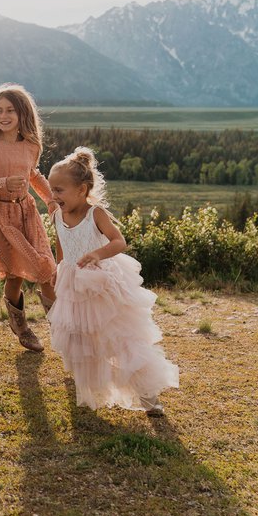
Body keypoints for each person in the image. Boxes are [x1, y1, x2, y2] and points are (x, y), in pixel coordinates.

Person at [46, 147, 179, 416]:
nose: (53, 195)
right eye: (52, 189)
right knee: (77, 336)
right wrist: (57, 267)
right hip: (72, 283)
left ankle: (148, 397)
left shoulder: (96, 214)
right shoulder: (57, 214)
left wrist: (97, 253)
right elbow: (61, 242)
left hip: (101, 282)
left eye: (59, 190)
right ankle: (83, 385)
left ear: (82, 190)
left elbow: (119, 241)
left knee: (120, 338)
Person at [0, 84, 58, 353]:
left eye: (9, 110)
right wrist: (4, 183)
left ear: (22, 113)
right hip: (0, 216)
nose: (3, 116)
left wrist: (52, 200)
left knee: (47, 269)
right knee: (15, 276)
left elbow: (33, 175)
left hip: (27, 211)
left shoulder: (31, 145)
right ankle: (21, 327)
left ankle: (61, 327)